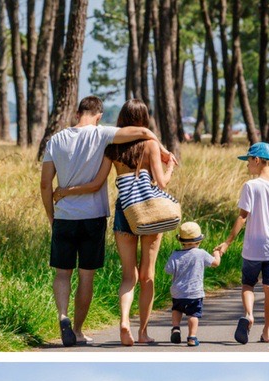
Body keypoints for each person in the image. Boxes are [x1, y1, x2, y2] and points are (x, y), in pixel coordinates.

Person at [53, 99, 177, 347]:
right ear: (145, 119)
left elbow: (97, 183)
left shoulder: (113, 148)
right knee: (147, 275)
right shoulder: (151, 145)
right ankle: (142, 332)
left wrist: (65, 190)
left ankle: (123, 321)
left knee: (128, 276)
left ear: (121, 118)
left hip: (125, 212)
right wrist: (170, 164)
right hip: (150, 210)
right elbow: (161, 183)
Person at [217, 142, 269, 345]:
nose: (247, 165)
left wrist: (227, 243)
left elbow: (242, 217)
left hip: (252, 248)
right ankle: (267, 332)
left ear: (258, 160)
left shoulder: (250, 186)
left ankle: (249, 314)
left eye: (249, 160)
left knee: (248, 284)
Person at [163, 221, 222, 347]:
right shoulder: (201, 253)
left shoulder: (175, 254)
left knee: (177, 309)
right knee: (193, 314)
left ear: (181, 241)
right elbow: (215, 263)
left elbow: (168, 270)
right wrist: (217, 253)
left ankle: (176, 328)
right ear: (199, 240)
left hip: (177, 291)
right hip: (194, 292)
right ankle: (191, 337)